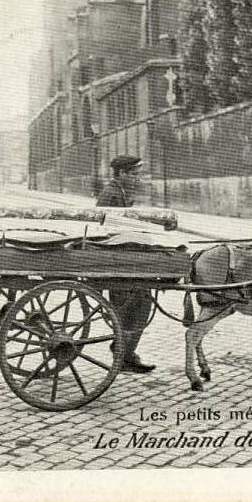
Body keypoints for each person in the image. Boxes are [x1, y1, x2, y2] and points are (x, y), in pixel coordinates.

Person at [96, 155, 156, 373]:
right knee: (140, 303)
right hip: (117, 262)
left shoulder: (118, 192)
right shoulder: (111, 195)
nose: (137, 179)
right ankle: (124, 354)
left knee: (138, 304)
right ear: (122, 174)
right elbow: (108, 229)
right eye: (134, 174)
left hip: (121, 258)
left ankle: (124, 352)